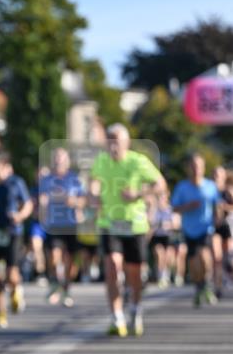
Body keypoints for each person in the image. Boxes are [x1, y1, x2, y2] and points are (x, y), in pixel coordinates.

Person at [89, 124, 167, 337]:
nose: (113, 144)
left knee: (135, 273)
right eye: (109, 139)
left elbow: (160, 184)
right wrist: (94, 195)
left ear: (126, 142)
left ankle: (135, 308)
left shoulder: (138, 161)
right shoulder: (101, 161)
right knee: (113, 266)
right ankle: (117, 317)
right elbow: (93, 182)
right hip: (109, 223)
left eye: (117, 139)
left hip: (135, 224)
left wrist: (139, 193)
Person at [0, 150, 33, 327]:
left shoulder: (15, 182)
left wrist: (20, 216)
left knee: (11, 274)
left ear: (3, 162)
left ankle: (15, 289)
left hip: (12, 231)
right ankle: (1, 312)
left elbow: (28, 204)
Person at [39, 147, 86, 308]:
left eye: (62, 158)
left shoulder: (74, 179)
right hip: (54, 224)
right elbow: (42, 198)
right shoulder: (47, 179)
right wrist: (42, 213)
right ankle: (54, 282)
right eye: (56, 158)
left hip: (71, 224)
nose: (58, 161)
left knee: (70, 261)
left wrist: (75, 203)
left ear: (67, 161)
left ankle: (66, 288)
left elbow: (83, 200)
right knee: (53, 255)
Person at [172, 153, 220, 307]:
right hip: (189, 229)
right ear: (188, 168)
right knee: (193, 263)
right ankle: (199, 287)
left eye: (199, 166)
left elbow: (217, 204)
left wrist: (218, 217)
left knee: (205, 256)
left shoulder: (210, 186)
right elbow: (174, 208)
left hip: (206, 227)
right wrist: (188, 207)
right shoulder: (182, 187)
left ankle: (206, 284)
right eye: (193, 166)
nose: (196, 169)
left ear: (203, 168)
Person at [148, 189, 178, 289]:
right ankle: (161, 276)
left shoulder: (170, 209)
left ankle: (167, 273)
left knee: (169, 258)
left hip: (168, 236)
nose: (161, 199)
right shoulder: (154, 210)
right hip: (157, 236)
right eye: (159, 197)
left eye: (162, 197)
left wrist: (168, 225)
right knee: (159, 254)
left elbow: (176, 224)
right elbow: (149, 221)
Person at [212, 165, 232, 298]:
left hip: (228, 227)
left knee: (229, 259)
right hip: (214, 227)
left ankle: (227, 277)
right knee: (216, 257)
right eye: (214, 175)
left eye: (219, 175)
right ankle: (217, 286)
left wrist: (224, 206)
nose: (216, 177)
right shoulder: (209, 191)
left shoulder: (228, 192)